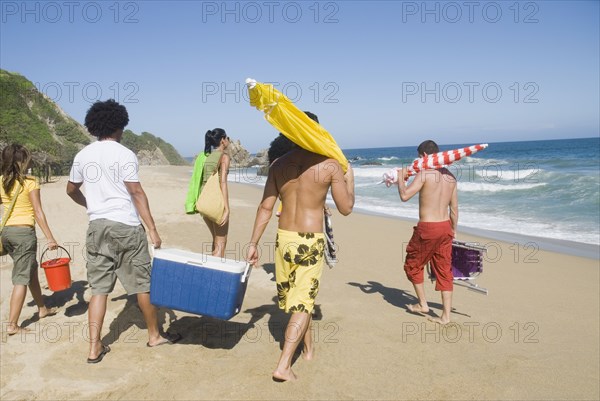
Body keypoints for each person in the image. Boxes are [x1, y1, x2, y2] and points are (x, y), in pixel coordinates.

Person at [66, 99, 179, 364]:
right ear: (119, 125)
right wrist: (152, 229)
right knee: (142, 283)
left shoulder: (83, 155)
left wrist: (89, 204)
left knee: (99, 289)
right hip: (126, 226)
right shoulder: (124, 154)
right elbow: (136, 192)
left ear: (94, 126)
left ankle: (94, 348)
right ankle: (154, 335)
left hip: (97, 227)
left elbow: (71, 189)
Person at [246, 112, 355, 382]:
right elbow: (346, 208)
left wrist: (252, 243)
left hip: (284, 239)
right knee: (303, 304)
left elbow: (265, 208)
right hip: (309, 242)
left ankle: (308, 350)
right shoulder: (329, 166)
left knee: (300, 299)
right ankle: (283, 365)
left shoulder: (278, 165)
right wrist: (349, 176)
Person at [396, 140, 458, 325]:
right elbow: (454, 209)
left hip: (428, 228)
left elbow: (405, 196)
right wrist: (453, 231)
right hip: (445, 227)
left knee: (412, 265)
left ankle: (423, 304)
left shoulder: (424, 174)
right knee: (444, 270)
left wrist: (401, 178)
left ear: (424, 156)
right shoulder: (451, 177)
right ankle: (446, 316)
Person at [1, 144, 59, 335]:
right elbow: (38, 212)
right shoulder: (30, 182)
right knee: (21, 278)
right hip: (23, 234)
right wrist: (50, 238)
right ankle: (12, 325)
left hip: (6, 233)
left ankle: (42, 308)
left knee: (30, 268)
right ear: (22, 161)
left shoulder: (2, 181)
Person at [199, 129, 231, 257]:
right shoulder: (224, 156)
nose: (229, 140)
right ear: (223, 140)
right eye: (227, 138)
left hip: (205, 201)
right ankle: (216, 275)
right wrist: (227, 208)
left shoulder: (208, 157)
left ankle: (211, 271)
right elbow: (223, 182)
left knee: (216, 240)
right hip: (216, 203)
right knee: (221, 243)